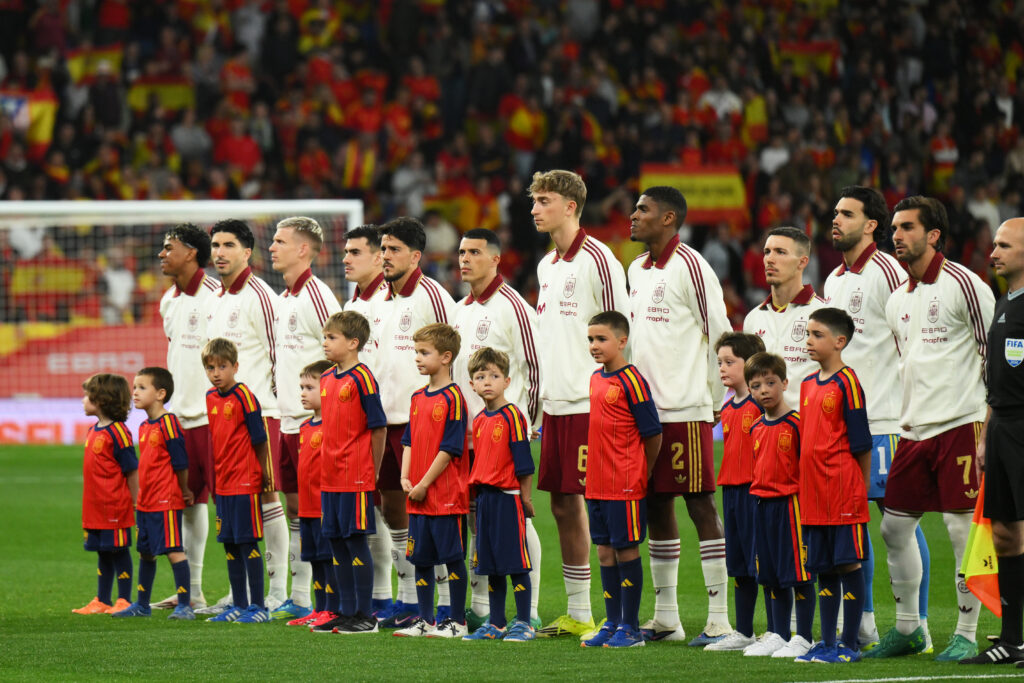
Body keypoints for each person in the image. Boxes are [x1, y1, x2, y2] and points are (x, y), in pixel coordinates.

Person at [869, 196, 995, 662]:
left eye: (906, 228)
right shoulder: (898, 297)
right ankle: (909, 629)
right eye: (895, 228)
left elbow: (990, 355)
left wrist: (988, 421)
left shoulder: (966, 284)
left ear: (933, 235)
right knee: (894, 527)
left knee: (962, 530)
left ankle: (965, 632)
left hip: (961, 424)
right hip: (913, 430)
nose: (896, 235)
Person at [823, 186, 932, 650]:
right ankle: (864, 622)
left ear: (871, 225)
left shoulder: (889, 271)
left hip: (886, 418)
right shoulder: (833, 279)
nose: (836, 219)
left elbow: (913, 340)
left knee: (897, 522)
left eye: (847, 214)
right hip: (846, 423)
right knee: (852, 522)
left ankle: (917, 625)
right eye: (835, 213)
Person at [626, 187, 732, 644]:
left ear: (669, 218)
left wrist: (710, 401)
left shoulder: (692, 265)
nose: (632, 216)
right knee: (655, 505)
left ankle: (719, 618)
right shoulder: (636, 268)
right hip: (644, 411)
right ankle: (667, 617)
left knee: (700, 504)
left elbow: (720, 333)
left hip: (685, 407)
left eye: (643, 210)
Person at [531, 169, 629, 638]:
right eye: (534, 201)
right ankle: (579, 611)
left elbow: (624, 328)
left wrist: (620, 394)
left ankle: (617, 613)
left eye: (543, 200)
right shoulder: (547, 265)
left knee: (603, 509)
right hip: (556, 401)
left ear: (570, 206)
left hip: (594, 405)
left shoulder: (600, 259)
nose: (534, 209)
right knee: (562, 506)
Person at [451, 228, 542, 630]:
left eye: (474, 252)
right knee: (480, 520)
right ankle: (488, 610)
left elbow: (537, 367)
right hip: (472, 429)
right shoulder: (459, 309)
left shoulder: (514, 307)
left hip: (506, 430)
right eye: (461, 252)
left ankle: (530, 610)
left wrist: (529, 422)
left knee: (519, 520)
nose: (465, 259)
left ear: (495, 259)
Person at [375, 218, 456, 628]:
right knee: (392, 507)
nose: (384, 256)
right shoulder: (382, 301)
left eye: (392, 250)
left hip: (422, 421)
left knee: (430, 510)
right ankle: (409, 602)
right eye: (383, 249)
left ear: (415, 255)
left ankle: (443, 604)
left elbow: (451, 355)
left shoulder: (433, 296)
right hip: (385, 420)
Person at [205, 219, 288, 614]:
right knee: (236, 504)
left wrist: (274, 402)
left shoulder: (261, 295)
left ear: (246, 252)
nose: (219, 252)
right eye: (215, 245)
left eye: (228, 245)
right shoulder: (218, 297)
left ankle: (275, 589)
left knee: (268, 495)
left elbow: (279, 354)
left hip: (260, 412)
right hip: (226, 418)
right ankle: (245, 594)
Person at [270, 216, 342, 621]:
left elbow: (340, 355)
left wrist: (327, 414)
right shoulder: (283, 299)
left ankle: (334, 602)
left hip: (315, 426)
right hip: (287, 420)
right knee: (297, 509)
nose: (273, 248)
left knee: (322, 513)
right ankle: (302, 598)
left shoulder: (318, 296)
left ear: (303, 249)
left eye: (280, 242)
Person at [961, 217, 1024, 665]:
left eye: (1004, 245)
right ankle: (1013, 638)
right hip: (1001, 426)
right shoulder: (1004, 303)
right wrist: (985, 433)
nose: (994, 251)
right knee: (1004, 534)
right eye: (994, 244)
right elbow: (993, 377)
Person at [579, 311, 662, 649]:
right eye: (590, 339)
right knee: (603, 552)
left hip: (625, 481)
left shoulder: (633, 381)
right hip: (597, 482)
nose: (594, 346)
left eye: (601, 339)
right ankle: (612, 622)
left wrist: (643, 470)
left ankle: (631, 628)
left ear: (622, 341)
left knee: (626, 550)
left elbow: (653, 432)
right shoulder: (596, 379)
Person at [794, 308, 872, 664]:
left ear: (840, 342)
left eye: (817, 334)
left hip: (842, 492)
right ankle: (826, 641)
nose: (808, 341)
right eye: (807, 333)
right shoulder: (808, 384)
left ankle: (850, 643)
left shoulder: (848, 383)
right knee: (823, 567)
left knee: (847, 566)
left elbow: (861, 444)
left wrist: (860, 490)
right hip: (812, 495)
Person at [155, 223, 220, 610]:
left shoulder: (217, 296)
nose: (162, 254)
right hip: (179, 417)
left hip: (213, 418)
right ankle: (191, 591)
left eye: (169, 247)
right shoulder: (169, 300)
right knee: (187, 499)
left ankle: (261, 592)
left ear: (192, 253)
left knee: (230, 504)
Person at [312, 311, 387, 635]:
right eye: (325, 337)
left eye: (332, 338)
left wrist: (373, 470)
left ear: (353, 343)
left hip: (356, 475)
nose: (325, 343)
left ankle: (365, 615)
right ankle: (344, 611)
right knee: (337, 544)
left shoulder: (363, 378)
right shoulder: (327, 379)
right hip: (329, 477)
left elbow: (378, 426)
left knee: (356, 543)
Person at [394, 323, 470, 639]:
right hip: (418, 496)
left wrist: (425, 482)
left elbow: (450, 449)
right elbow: (409, 441)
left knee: (452, 559)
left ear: (446, 357)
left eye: (424, 353)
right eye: (416, 352)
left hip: (446, 495)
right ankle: (426, 620)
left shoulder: (454, 398)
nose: (418, 358)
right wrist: (405, 477)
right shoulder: (417, 397)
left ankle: (457, 621)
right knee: (421, 559)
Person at [743, 352, 816, 659]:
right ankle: (778, 633)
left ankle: (804, 637)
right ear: (749, 390)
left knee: (797, 573)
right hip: (762, 506)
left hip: (791, 506)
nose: (764, 390)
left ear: (785, 383)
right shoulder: (757, 426)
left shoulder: (798, 423)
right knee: (770, 575)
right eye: (757, 385)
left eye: (770, 382)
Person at [462, 347, 537, 642]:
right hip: (485, 500)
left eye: (494, 375)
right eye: (481, 377)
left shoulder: (513, 415)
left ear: (506, 381)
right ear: (473, 385)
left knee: (515, 562)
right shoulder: (479, 420)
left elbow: (524, 462)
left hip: (508, 497)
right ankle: (496, 622)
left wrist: (526, 497)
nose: (487, 382)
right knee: (490, 564)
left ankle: (524, 622)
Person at [342, 224, 396, 620]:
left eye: (355, 252)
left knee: (398, 511)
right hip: (353, 427)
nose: (346, 258)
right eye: (346, 251)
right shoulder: (353, 303)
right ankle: (380, 597)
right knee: (371, 512)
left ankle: (411, 598)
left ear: (379, 257)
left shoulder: (393, 299)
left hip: (394, 421)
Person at [111, 368, 194, 620]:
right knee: (145, 552)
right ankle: (142, 604)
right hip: (147, 501)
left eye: (141, 387)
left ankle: (184, 605)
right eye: (134, 387)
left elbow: (180, 461)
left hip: (165, 499)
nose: (134, 392)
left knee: (173, 550)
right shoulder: (146, 425)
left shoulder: (169, 423)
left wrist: (185, 490)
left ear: (160, 394)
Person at [201, 337, 274, 623]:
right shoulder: (210, 398)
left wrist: (265, 475)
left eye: (222, 366)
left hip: (245, 481)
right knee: (229, 544)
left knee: (247, 543)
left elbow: (260, 438)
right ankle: (240, 605)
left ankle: (259, 607)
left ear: (235, 367)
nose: (216, 372)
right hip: (224, 483)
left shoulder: (244, 396)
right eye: (210, 367)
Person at [706, 332, 769, 652]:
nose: (722, 369)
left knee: (763, 564)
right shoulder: (729, 408)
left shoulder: (761, 406)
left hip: (755, 493)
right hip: (731, 491)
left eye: (730, 362)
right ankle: (744, 631)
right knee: (740, 565)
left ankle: (777, 632)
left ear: (750, 364)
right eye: (719, 362)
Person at [73, 374, 138, 616]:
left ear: (101, 400)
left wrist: (135, 501)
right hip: (94, 508)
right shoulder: (93, 430)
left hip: (114, 506)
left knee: (119, 550)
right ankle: (102, 599)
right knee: (102, 552)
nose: (82, 400)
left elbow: (132, 470)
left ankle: (123, 599)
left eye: (87, 395)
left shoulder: (119, 432)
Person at [743, 226, 828, 408]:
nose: (769, 259)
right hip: (764, 432)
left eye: (780, 252)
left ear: (802, 262)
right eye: (767, 252)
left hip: (808, 430)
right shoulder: (753, 319)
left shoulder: (823, 315)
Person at [284, 359, 337, 629]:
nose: (303, 393)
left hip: (324, 507)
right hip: (307, 509)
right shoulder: (305, 427)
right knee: (315, 560)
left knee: (329, 560)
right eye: (301, 387)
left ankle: (333, 608)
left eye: (309, 387)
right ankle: (319, 608)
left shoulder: (333, 425)